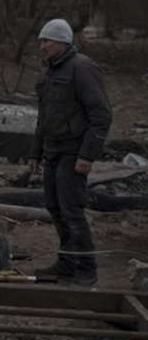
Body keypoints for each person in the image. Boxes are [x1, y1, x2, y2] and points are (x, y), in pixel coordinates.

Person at [29, 18, 112, 286]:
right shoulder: (49, 72)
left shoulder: (82, 68)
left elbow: (101, 115)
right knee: (54, 208)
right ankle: (66, 264)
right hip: (53, 150)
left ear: (63, 43)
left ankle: (87, 269)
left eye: (47, 41)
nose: (42, 46)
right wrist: (35, 154)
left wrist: (87, 156)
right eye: (41, 41)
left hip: (73, 153)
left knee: (72, 210)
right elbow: (43, 118)